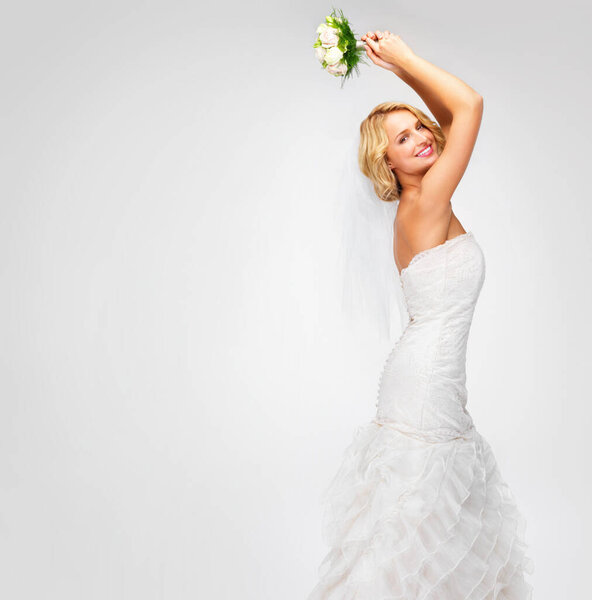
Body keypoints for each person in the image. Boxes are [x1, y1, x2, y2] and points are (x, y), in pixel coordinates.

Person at [307, 30, 534, 598]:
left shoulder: (430, 194)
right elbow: (469, 105)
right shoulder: (424, 203)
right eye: (401, 139)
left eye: (419, 128)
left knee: (432, 522)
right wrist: (404, 60)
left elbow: (454, 121)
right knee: (416, 524)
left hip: (428, 376)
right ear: (386, 163)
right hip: (424, 384)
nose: (421, 140)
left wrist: (402, 78)